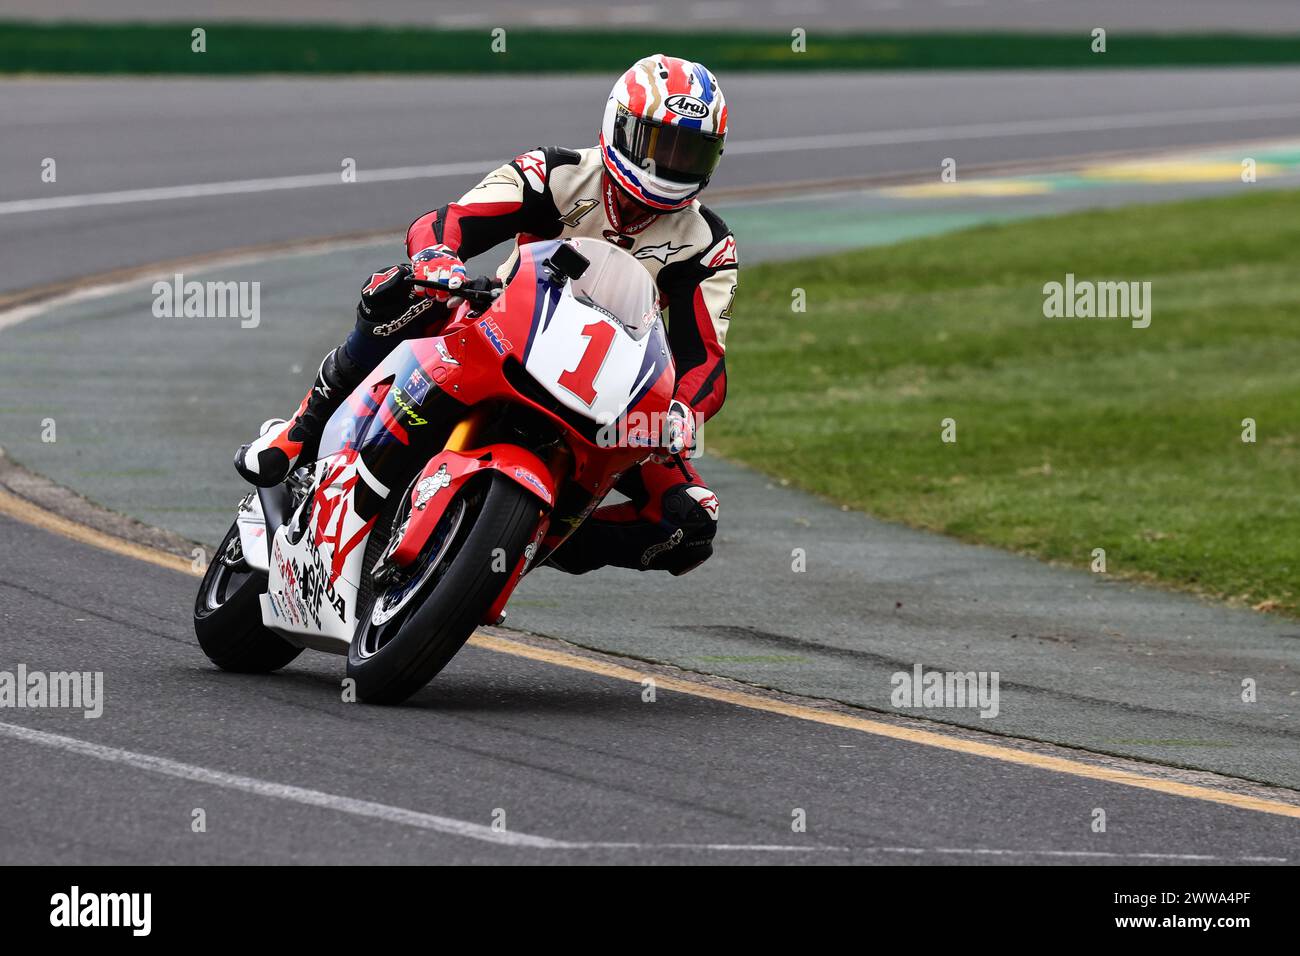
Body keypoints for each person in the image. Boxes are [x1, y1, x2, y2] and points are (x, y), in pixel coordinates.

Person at [236, 54, 735, 576]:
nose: (668, 166)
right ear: (620, 126)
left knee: (689, 522)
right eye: (659, 144)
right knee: (401, 291)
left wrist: (681, 413)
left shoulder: (708, 246)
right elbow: (450, 220)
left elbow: (707, 360)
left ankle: (511, 545)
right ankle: (299, 430)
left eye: (688, 152)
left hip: (607, 392)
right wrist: (438, 257)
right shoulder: (556, 172)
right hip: (501, 328)